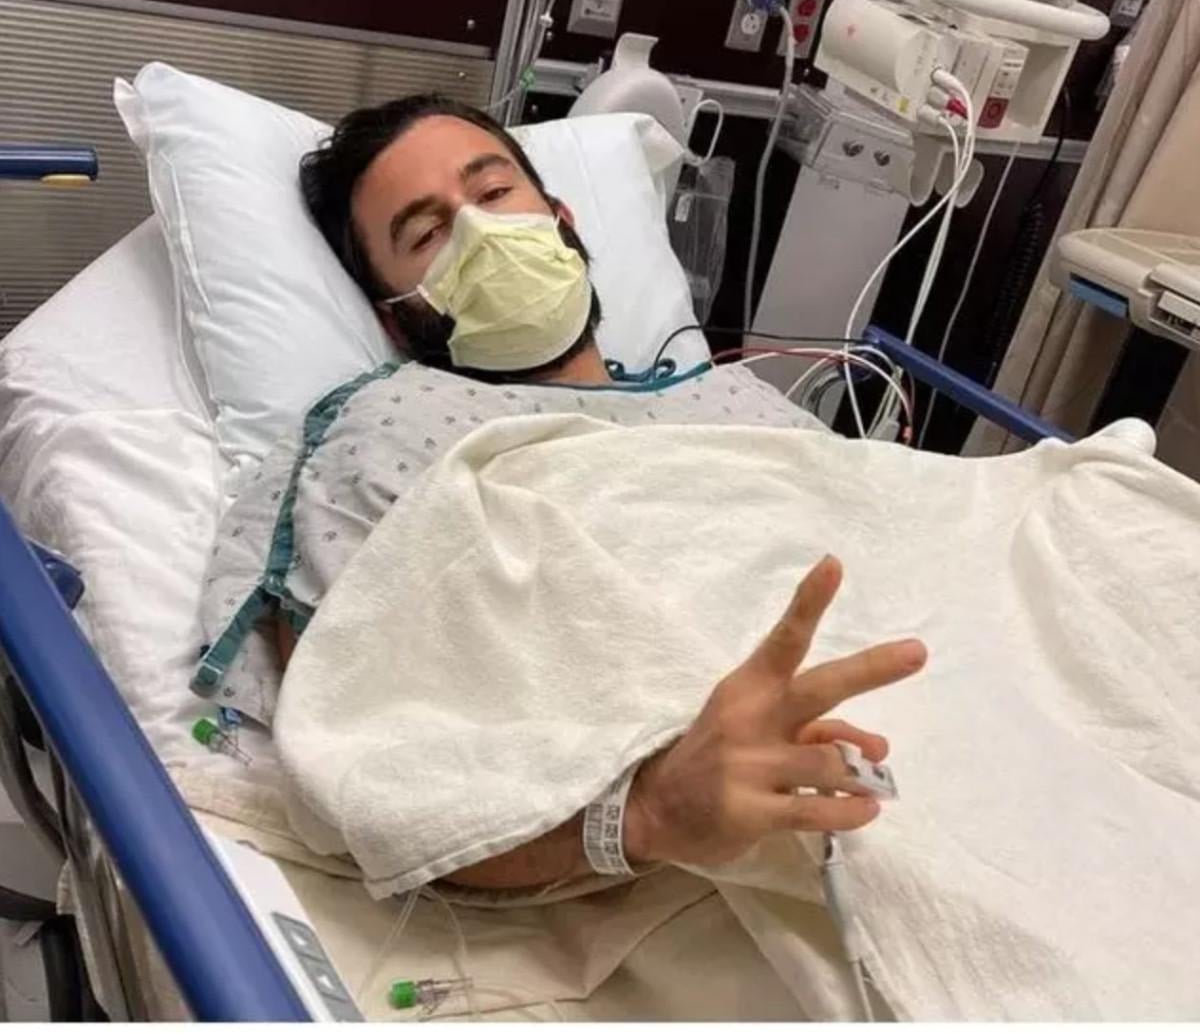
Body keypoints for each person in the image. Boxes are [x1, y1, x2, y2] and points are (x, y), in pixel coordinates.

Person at [192, 94, 927, 891]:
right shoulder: (393, 425)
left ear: (564, 223)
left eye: (494, 190)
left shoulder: (744, 403)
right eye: (427, 234)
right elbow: (357, 747)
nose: (480, 231)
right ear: (399, 319)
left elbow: (914, 564)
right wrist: (644, 815)